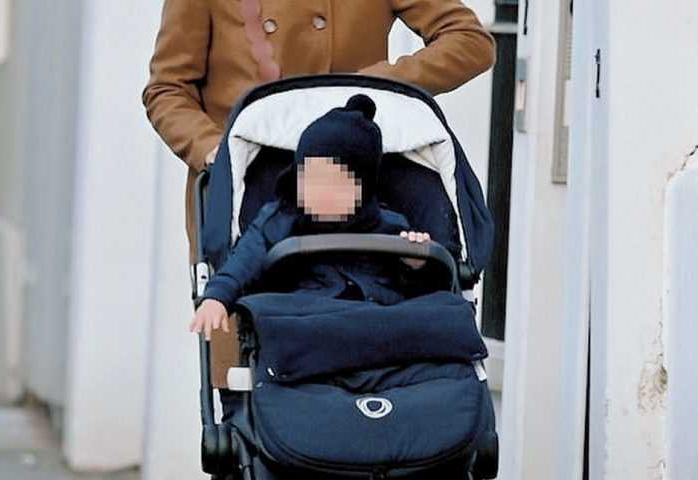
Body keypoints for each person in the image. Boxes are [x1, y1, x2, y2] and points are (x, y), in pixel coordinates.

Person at [142, 0, 496, 260]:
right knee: (250, 330)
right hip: (247, 192)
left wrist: (373, 86)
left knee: (360, 326)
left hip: (351, 192)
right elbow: (168, 89)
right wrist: (213, 149)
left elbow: (470, 41)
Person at [190, 95, 434, 339]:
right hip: (309, 327)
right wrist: (217, 297)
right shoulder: (278, 220)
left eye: (334, 182)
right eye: (309, 179)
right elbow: (243, 263)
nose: (319, 191)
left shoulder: (390, 227)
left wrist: (418, 263)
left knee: (439, 311)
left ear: (362, 188)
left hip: (380, 328)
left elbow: (418, 290)